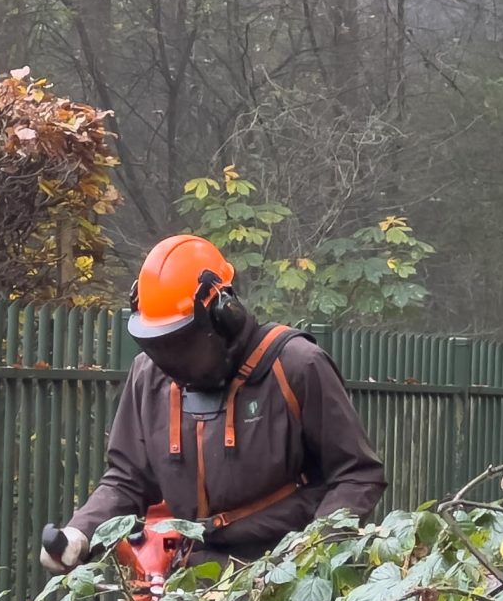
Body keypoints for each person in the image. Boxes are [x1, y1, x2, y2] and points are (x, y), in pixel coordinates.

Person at [42, 235, 387, 575]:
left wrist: (314, 552)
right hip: (189, 579)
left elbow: (356, 475)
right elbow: (127, 479)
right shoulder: (149, 376)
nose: (170, 361)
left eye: (181, 342)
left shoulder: (296, 365)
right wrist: (81, 532)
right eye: (159, 345)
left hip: (282, 573)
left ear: (225, 315)